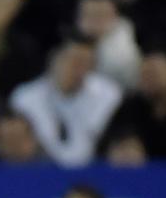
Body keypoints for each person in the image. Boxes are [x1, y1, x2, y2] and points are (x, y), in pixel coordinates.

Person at [10, 34, 122, 167]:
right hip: (41, 170)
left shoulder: (108, 95)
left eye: (88, 64)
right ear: (54, 60)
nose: (81, 70)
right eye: (76, 62)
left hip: (95, 169)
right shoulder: (24, 98)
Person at [100, 51, 166, 160]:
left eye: (155, 74)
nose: (150, 80)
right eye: (145, 75)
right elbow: (107, 145)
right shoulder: (129, 109)